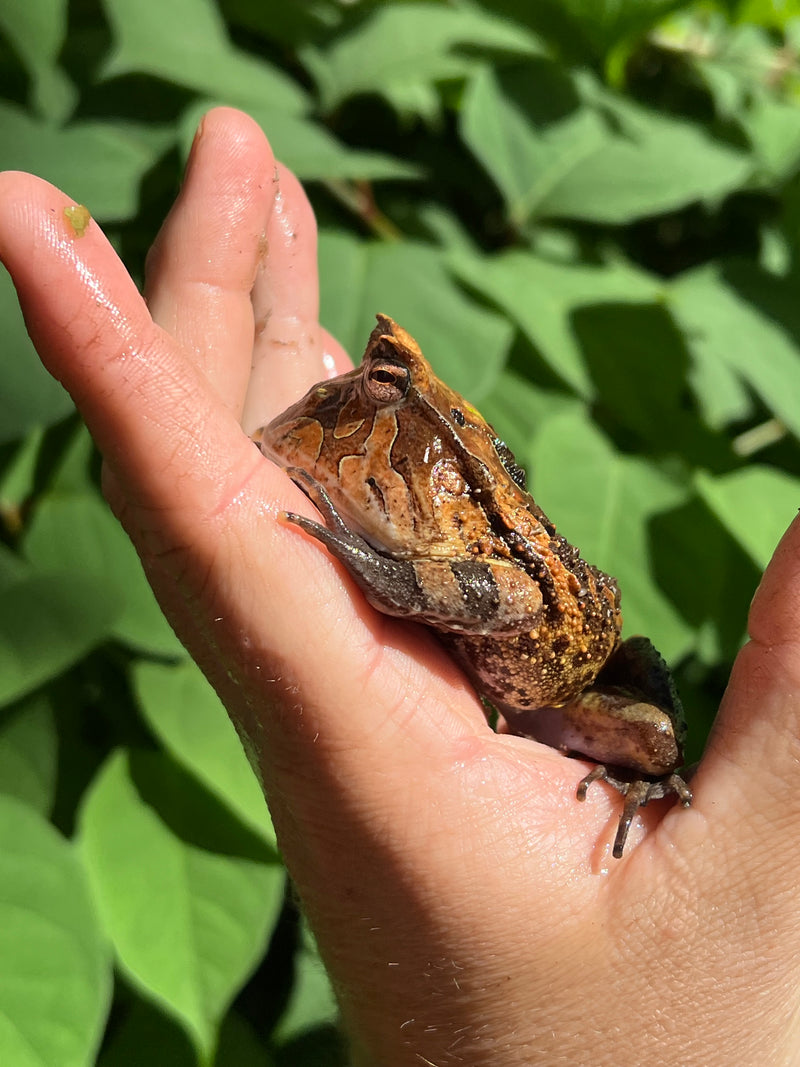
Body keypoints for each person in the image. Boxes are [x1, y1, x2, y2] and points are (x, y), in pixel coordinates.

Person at [1, 107, 799, 1066]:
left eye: (380, 381)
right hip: (511, 618)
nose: (363, 388)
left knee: (657, 735)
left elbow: (512, 599)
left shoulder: (462, 520)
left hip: (565, 671)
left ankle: (654, 776)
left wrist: (379, 573)